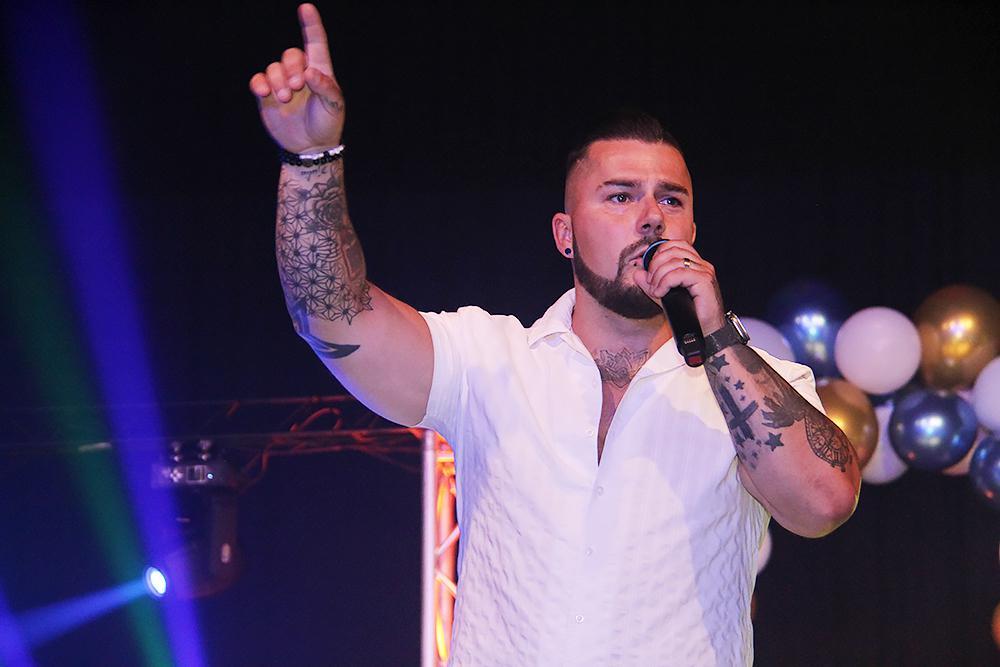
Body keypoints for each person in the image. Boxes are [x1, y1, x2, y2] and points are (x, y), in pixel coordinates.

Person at [250, 4, 861, 665]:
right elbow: (332, 314)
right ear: (565, 235)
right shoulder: (491, 359)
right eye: (620, 196)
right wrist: (310, 157)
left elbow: (824, 503)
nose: (651, 217)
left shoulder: (751, 379)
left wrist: (715, 333)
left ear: (692, 229)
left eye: (672, 199)